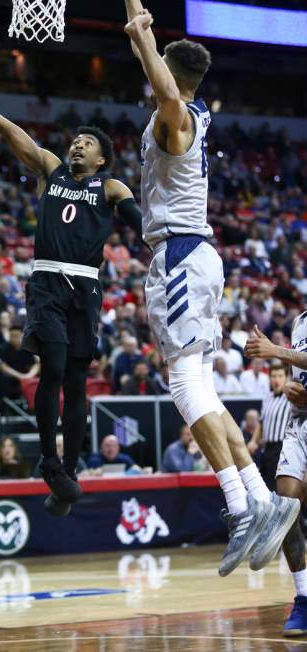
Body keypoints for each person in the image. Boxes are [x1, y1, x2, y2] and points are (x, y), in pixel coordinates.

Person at [124, 1, 299, 578]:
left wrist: (144, 38)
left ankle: (239, 503)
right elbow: (157, 75)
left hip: (179, 255)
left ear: (169, 76)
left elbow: (164, 91)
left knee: (182, 382)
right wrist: (137, 21)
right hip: (196, 255)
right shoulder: (191, 110)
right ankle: (258, 496)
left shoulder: (175, 116)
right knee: (198, 385)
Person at [0, 68, 144, 517]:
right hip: (47, 282)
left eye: (86, 143)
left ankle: (69, 472)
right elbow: (9, 129)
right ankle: (50, 463)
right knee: (51, 366)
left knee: (76, 380)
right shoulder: (51, 169)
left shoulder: (110, 187)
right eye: (75, 141)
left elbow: (141, 227)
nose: (77, 145)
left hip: (85, 287)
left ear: (102, 158)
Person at [245, 318, 307, 634]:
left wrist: (274, 350)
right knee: (286, 511)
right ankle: (304, 598)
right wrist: (292, 387)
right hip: (299, 426)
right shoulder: (300, 322)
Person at [247, 364, 290, 492]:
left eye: (280, 376)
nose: (276, 379)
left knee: (279, 487)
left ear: (286, 378)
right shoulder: (267, 398)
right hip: (267, 449)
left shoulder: (291, 397)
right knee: (265, 485)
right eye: (273, 376)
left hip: (283, 448)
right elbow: (261, 422)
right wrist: (253, 441)